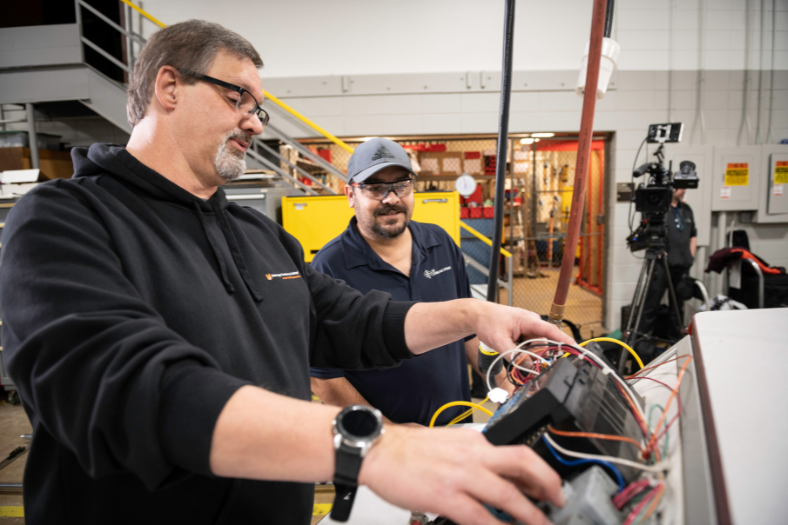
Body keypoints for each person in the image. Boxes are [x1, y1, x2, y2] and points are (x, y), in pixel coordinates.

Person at [0, 20, 572, 525]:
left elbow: (350, 319)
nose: (254, 123)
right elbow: (126, 388)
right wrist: (371, 446)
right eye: (237, 98)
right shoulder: (63, 219)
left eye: (258, 108)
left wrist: (475, 312)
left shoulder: (257, 234)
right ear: (169, 86)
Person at [310, 138, 513, 427]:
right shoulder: (329, 266)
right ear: (350, 194)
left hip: (455, 424)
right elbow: (323, 378)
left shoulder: (440, 242)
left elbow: (469, 333)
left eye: (401, 185)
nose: (391, 198)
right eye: (376, 188)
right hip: (385, 443)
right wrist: (390, 432)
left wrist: (506, 388)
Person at [640, 187, 697, 341]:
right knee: (650, 306)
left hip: (681, 267)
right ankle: (644, 342)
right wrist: (659, 250)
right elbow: (647, 232)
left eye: (685, 187)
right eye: (680, 187)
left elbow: (693, 235)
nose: (684, 191)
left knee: (677, 309)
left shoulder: (686, 210)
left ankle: (675, 343)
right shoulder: (658, 210)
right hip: (661, 266)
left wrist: (690, 256)